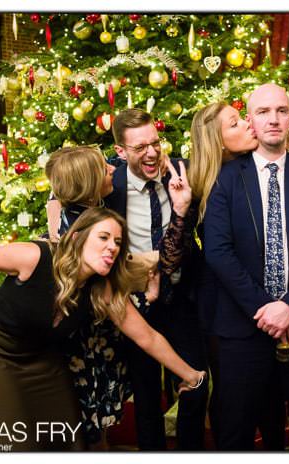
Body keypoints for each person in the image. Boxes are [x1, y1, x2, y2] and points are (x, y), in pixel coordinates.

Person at [0, 207, 206, 452]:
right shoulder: (36, 256)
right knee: (18, 442)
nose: (111, 247)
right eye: (103, 237)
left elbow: (147, 337)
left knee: (68, 436)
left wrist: (191, 375)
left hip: (41, 357)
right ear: (77, 237)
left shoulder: (104, 290)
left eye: (117, 242)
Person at [203, 83, 289, 450]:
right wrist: (266, 310)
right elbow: (218, 251)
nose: (273, 119)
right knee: (235, 434)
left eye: (281, 110)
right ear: (251, 121)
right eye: (263, 112)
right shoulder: (226, 179)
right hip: (242, 329)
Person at [44, 145, 190, 448]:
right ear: (89, 183)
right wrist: (149, 289)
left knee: (96, 427)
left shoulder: (78, 208)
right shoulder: (85, 229)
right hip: (89, 342)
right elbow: (118, 276)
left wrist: (143, 153)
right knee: (90, 428)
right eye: (105, 170)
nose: (113, 170)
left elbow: (76, 167)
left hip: (98, 337)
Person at [105, 108, 208, 450]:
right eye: (139, 148)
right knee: (147, 397)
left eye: (155, 143)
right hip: (137, 305)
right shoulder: (109, 185)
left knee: (196, 384)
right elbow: (63, 195)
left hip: (182, 298)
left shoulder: (180, 170)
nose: (151, 153)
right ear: (120, 152)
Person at [187, 101, 259, 443]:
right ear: (217, 142)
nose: (248, 124)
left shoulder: (251, 169)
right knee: (232, 398)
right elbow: (218, 256)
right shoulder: (211, 187)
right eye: (235, 123)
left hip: (248, 300)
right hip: (223, 307)